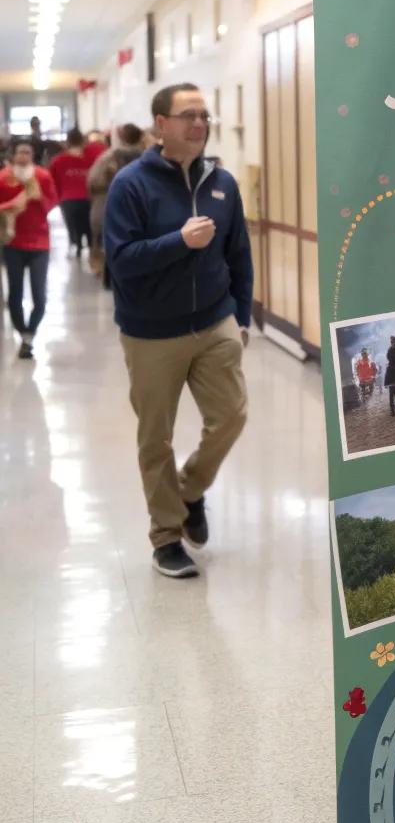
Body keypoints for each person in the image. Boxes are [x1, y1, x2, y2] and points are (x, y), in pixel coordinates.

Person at [104, 83, 252, 580]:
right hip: (151, 334)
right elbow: (121, 262)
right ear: (160, 124)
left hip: (215, 322)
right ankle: (166, 536)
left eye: (204, 115)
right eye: (188, 115)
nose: (199, 124)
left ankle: (188, 492)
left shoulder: (223, 183)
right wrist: (178, 242)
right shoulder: (131, 184)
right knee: (155, 438)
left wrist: (243, 317)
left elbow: (238, 254)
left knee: (231, 416)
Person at [0, 139, 58, 359]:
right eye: (20, 152)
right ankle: (22, 332)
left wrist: (38, 196)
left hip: (39, 243)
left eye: (28, 152)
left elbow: (52, 203)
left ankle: (29, 334)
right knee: (14, 294)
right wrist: (12, 204)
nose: (24, 156)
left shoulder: (42, 176)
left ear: (33, 155)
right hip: (12, 242)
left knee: (39, 296)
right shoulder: (4, 177)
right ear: (13, 155)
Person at [88, 124, 147, 281]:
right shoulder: (148, 156)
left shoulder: (109, 157)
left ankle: (102, 270)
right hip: (138, 207)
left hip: (105, 202)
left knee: (102, 238)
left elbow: (93, 181)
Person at [49, 127, 93, 258]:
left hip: (67, 199)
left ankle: (76, 244)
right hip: (88, 198)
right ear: (83, 141)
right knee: (87, 224)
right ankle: (90, 246)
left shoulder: (58, 160)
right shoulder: (91, 159)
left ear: (67, 141)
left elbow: (53, 181)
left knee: (73, 225)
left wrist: (56, 199)